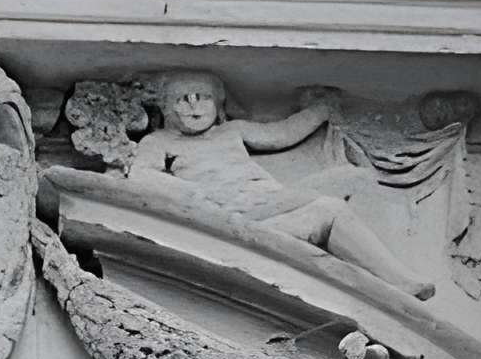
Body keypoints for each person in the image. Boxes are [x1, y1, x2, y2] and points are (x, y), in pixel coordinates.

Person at [127, 70, 436, 299]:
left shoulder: (231, 131)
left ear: (218, 105)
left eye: (203, 97)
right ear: (168, 109)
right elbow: (141, 176)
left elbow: (282, 134)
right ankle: (388, 282)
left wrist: (321, 110)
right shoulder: (160, 141)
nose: (195, 106)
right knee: (332, 202)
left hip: (269, 204)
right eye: (184, 99)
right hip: (232, 213)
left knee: (345, 189)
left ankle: (395, 282)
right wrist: (193, 195)